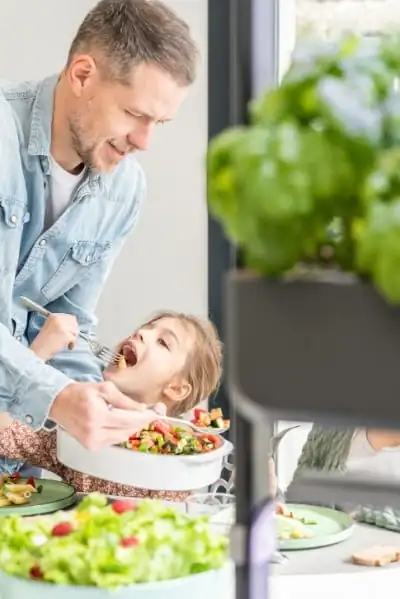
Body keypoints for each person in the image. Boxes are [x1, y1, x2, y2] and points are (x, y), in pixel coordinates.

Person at [0, 0, 198, 475]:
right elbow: (51, 387)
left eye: (160, 124)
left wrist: (103, 403)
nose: (145, 142)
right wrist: (59, 399)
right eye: (135, 114)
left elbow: (73, 327)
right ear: (83, 75)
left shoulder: (125, 189)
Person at [0, 310, 222, 500]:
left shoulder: (176, 459)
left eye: (163, 342)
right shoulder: (80, 426)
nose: (141, 332)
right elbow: (5, 432)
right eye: (147, 327)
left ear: (176, 389)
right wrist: (37, 356)